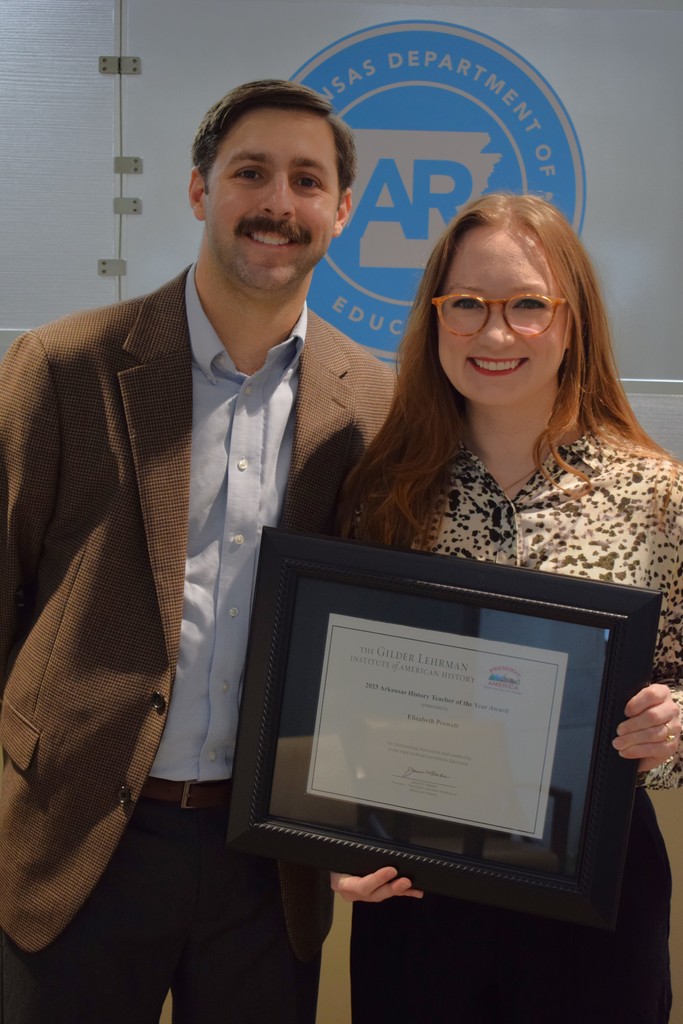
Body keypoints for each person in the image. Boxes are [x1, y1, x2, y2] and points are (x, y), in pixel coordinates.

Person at [0, 79, 395, 1023]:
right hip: (81, 841)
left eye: (307, 181)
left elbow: (372, 639)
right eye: (249, 173)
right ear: (197, 191)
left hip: (269, 861)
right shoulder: (63, 365)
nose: (276, 203)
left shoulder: (371, 401)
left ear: (340, 210)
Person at [335, 192, 682, 1024]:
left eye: (528, 304)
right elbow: (328, 690)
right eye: (467, 306)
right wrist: (327, 839)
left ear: (574, 322)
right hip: (417, 886)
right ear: (434, 317)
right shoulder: (377, 493)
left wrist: (671, 725)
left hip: (594, 886)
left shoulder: (655, 494)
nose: (495, 335)